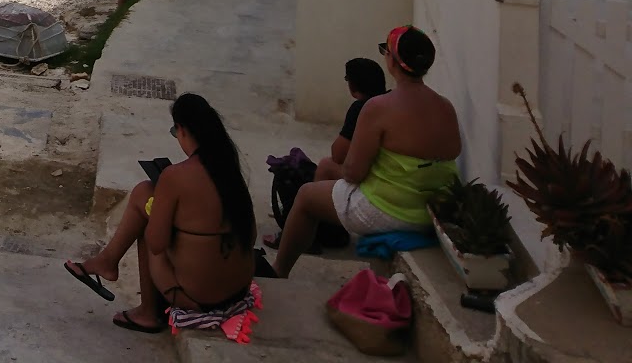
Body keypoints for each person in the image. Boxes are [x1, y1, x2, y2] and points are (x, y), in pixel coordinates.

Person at [273, 26, 461, 277]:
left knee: (306, 195)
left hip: (392, 210)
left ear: (392, 61)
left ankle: (279, 270)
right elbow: (451, 151)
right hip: (431, 211)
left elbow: (352, 173)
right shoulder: (445, 107)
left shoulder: (378, 107)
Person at [65, 93, 258, 334]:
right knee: (149, 199)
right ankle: (106, 262)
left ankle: (145, 310)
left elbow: (157, 243)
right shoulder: (229, 168)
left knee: (144, 204)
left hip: (198, 297)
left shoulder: (175, 176)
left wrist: (159, 212)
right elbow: (249, 237)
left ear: (182, 130)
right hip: (237, 290)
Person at [318, 58, 388, 182]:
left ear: (353, 84)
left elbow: (338, 155)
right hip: (389, 174)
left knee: (325, 165)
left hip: (375, 180)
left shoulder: (360, 108)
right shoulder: (390, 102)